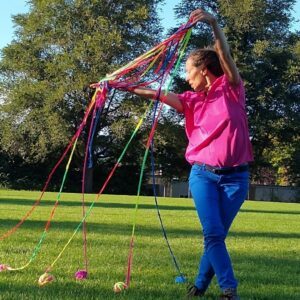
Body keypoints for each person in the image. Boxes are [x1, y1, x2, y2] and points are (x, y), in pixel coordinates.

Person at [123, 8, 253, 300]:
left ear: (204, 70)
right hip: (203, 176)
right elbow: (154, 93)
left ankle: (198, 287)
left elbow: (226, 56)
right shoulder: (190, 100)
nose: (186, 77)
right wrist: (120, 84)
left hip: (236, 179)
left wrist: (214, 24)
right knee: (214, 234)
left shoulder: (232, 89)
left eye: (188, 71)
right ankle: (230, 290)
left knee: (216, 235)